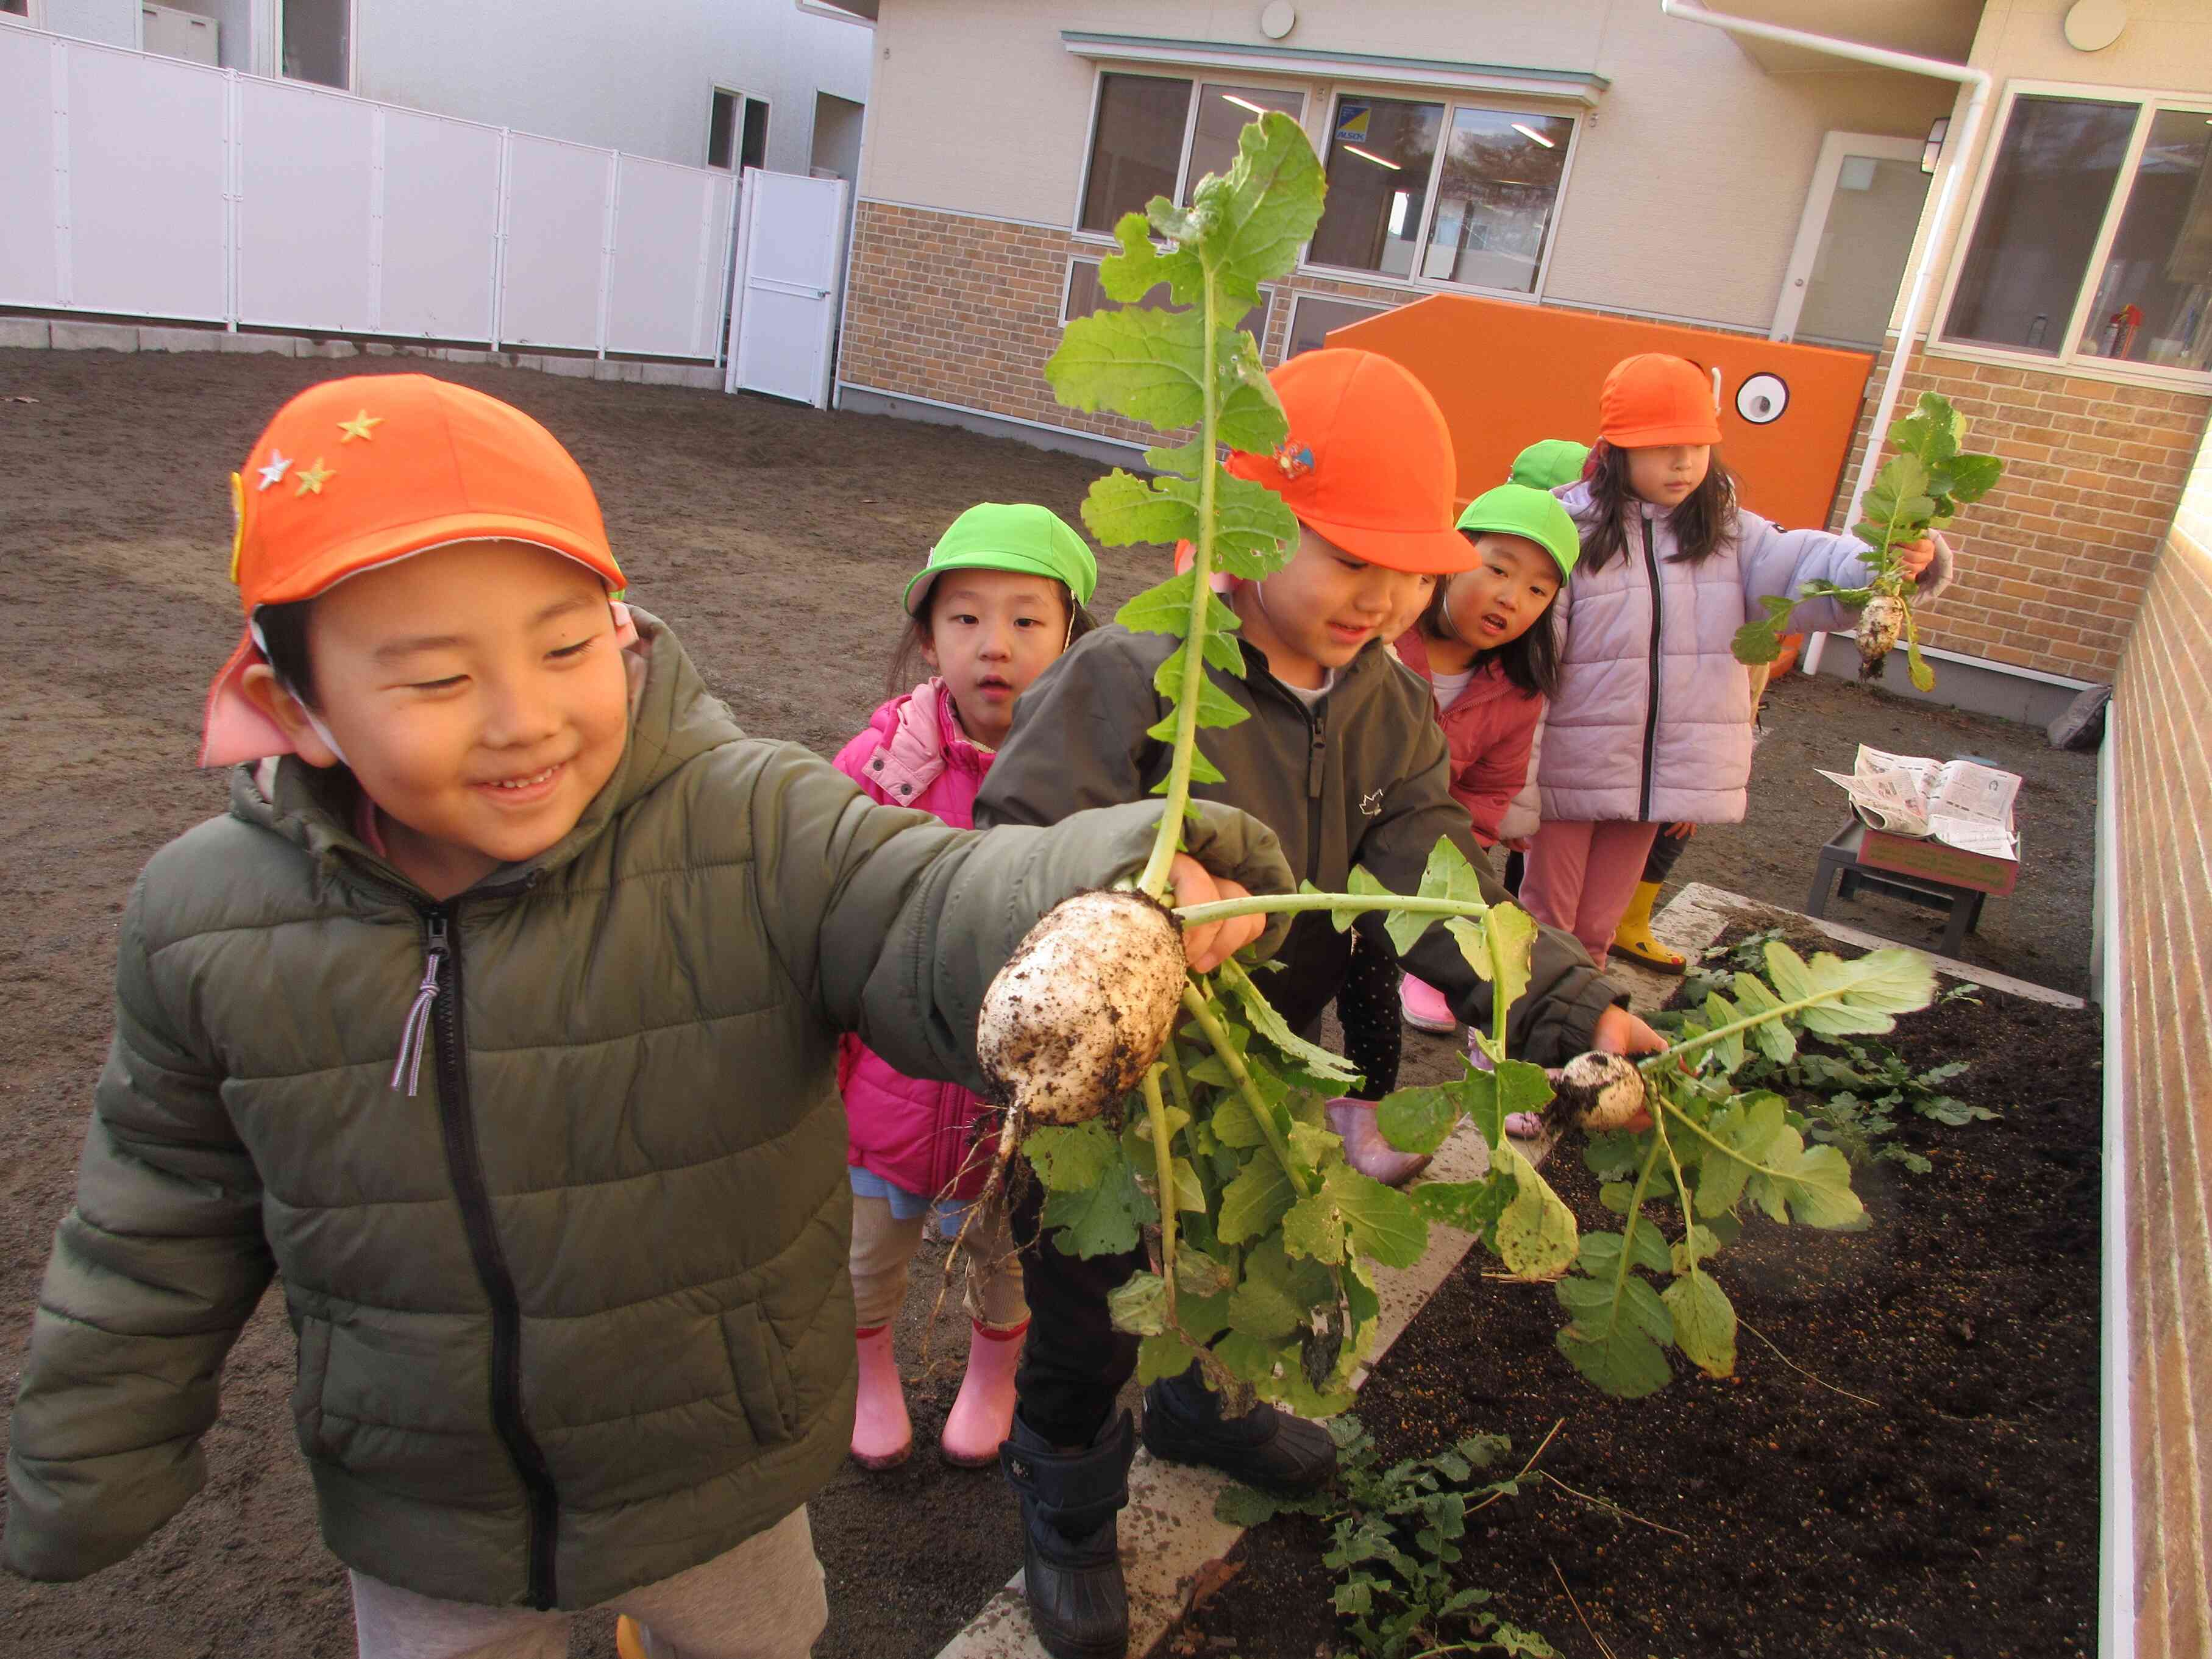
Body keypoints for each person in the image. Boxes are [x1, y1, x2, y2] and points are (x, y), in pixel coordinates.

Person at [0, 375, 1290, 1659]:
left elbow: (921, 902)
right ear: (293, 703)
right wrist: (89, 1447)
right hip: (425, 1492)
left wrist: (1103, 878)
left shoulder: (747, 821)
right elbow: (156, 1213)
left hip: (710, 1459)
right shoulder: (204, 918)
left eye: (565, 647)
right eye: (439, 676)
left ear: (619, 628)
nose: (523, 715)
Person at [972, 349, 1666, 1659]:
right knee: (1086, 1295)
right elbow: (1011, 833)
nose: (1388, 595)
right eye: (1350, 557)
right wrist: (1135, 866)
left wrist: (1567, 1005)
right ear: (1242, 519)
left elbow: (1428, 872)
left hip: (1261, 1063)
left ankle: (1198, 1404)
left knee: (1233, 1253)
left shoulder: (1388, 700)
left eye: (1409, 566)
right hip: (1112, 1087)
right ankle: (1063, 1504)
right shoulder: (1129, 670)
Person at [1523, 353, 1955, 967]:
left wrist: (1890, 558)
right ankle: (1500, 1052)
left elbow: (1812, 568)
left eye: (1697, 445)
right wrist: (1515, 776)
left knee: (1595, 930)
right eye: (1662, 446)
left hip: (1655, 780)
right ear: (1614, 449)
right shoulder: (1568, 527)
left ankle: (1566, 1050)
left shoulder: (1730, 536)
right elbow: (1530, 668)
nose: (1682, 462)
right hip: (1569, 770)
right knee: (1544, 924)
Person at [831, 502, 1098, 1472]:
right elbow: (830, 917)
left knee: (1008, 1256)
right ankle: (869, 1373)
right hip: (890, 1085)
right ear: (928, 635)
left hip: (1023, 1097)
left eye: (1027, 619)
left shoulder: (1101, 782)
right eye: (965, 618)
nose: (996, 645)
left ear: (1072, 633)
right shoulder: (878, 770)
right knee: (868, 1257)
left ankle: (993, 1376)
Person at [1393, 480, 1578, 1034]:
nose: (1511, 598)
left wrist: (1450, 863)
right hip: (1328, 843)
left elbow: (1488, 792)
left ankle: (1368, 1106)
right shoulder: (1383, 633)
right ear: (1449, 556)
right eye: (1498, 569)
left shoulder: (1519, 690)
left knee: (1371, 1002)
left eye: (1538, 591)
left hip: (1418, 864)